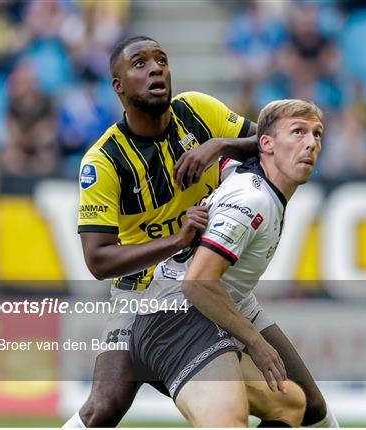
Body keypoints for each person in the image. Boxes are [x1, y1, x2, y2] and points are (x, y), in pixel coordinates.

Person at [65, 36, 334, 428]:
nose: (156, 68)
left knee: (309, 406)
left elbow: (272, 143)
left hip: (216, 287)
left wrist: (219, 144)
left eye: (162, 60)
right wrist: (177, 240)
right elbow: (98, 260)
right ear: (118, 85)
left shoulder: (197, 110)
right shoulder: (104, 161)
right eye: (140, 64)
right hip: (147, 299)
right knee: (103, 407)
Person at [131, 99, 338, 427]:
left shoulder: (251, 178)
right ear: (266, 144)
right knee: (228, 423)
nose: (311, 143)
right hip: (174, 318)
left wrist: (218, 144)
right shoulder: (251, 201)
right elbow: (197, 283)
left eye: (317, 134)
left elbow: (232, 155)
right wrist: (256, 343)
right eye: (298, 132)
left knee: (295, 403)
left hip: (221, 305)